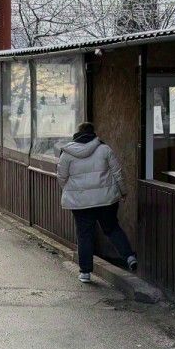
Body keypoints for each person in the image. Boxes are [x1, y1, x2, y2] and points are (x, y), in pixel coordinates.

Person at [56, 121, 138, 284]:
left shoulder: (67, 153)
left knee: (84, 234)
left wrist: (71, 191)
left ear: (77, 134)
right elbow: (117, 172)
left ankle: (85, 272)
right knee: (112, 228)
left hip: (80, 202)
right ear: (93, 133)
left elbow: (61, 177)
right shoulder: (104, 149)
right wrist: (123, 191)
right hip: (105, 200)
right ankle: (129, 256)